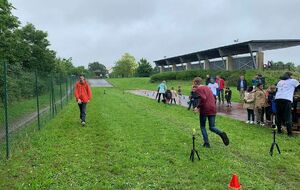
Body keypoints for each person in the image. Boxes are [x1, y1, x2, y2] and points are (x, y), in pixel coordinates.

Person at [193, 77, 229, 148]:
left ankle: (206, 143)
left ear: (195, 83)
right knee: (212, 127)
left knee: (203, 126)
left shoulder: (199, 89)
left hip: (205, 109)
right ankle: (221, 133)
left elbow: (203, 98)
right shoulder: (207, 88)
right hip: (212, 108)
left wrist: (197, 107)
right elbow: (212, 97)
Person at [275, 72, 300, 136]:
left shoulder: (280, 81)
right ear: (290, 76)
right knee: (288, 116)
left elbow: (277, 90)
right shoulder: (293, 81)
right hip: (286, 99)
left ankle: (279, 131)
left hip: (277, 98)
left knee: (279, 115)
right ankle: (289, 133)